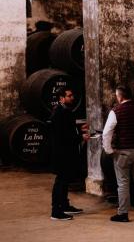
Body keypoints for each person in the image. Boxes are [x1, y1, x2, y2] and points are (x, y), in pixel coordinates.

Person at [102, 86, 134, 222]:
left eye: (117, 96)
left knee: (123, 183)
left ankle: (123, 214)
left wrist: (108, 150)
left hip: (123, 152)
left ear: (120, 97)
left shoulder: (116, 111)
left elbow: (106, 133)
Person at [49, 87, 86, 220]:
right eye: (69, 96)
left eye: (72, 95)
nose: (72, 98)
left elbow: (68, 130)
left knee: (64, 181)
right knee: (60, 182)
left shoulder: (65, 111)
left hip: (66, 153)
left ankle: (64, 205)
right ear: (61, 98)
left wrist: (80, 129)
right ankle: (56, 211)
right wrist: (81, 137)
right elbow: (63, 136)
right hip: (62, 154)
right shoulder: (59, 113)